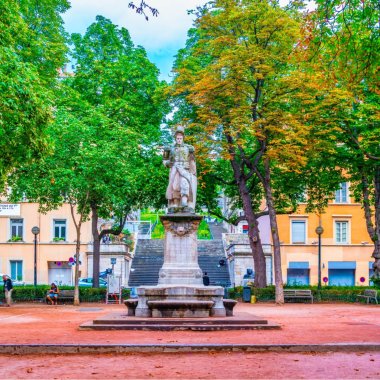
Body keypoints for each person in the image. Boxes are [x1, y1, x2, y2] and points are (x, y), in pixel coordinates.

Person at [163, 126, 197, 213]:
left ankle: (185, 202)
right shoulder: (170, 148)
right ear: (175, 138)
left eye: (180, 138)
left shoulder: (188, 148)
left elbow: (192, 160)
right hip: (174, 169)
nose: (179, 140)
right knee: (174, 186)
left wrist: (192, 171)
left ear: (183, 138)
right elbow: (165, 160)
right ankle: (175, 204)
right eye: (177, 138)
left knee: (184, 183)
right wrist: (167, 163)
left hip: (184, 169)